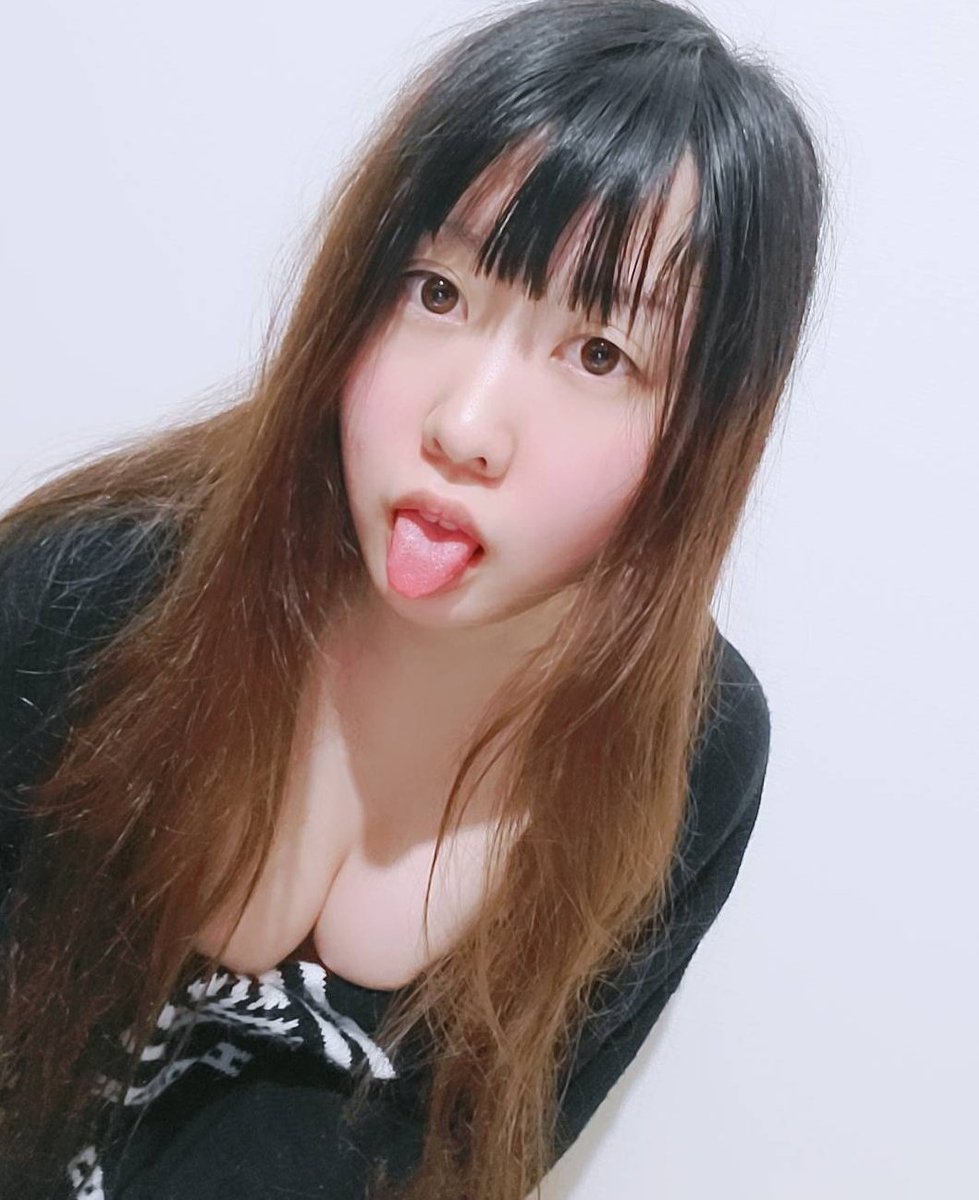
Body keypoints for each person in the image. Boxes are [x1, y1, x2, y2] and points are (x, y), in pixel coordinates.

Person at [0, 1, 826, 1197]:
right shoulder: (90, 593)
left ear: (707, 427)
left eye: (599, 354)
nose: (465, 425)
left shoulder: (686, 755)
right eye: (435, 291)